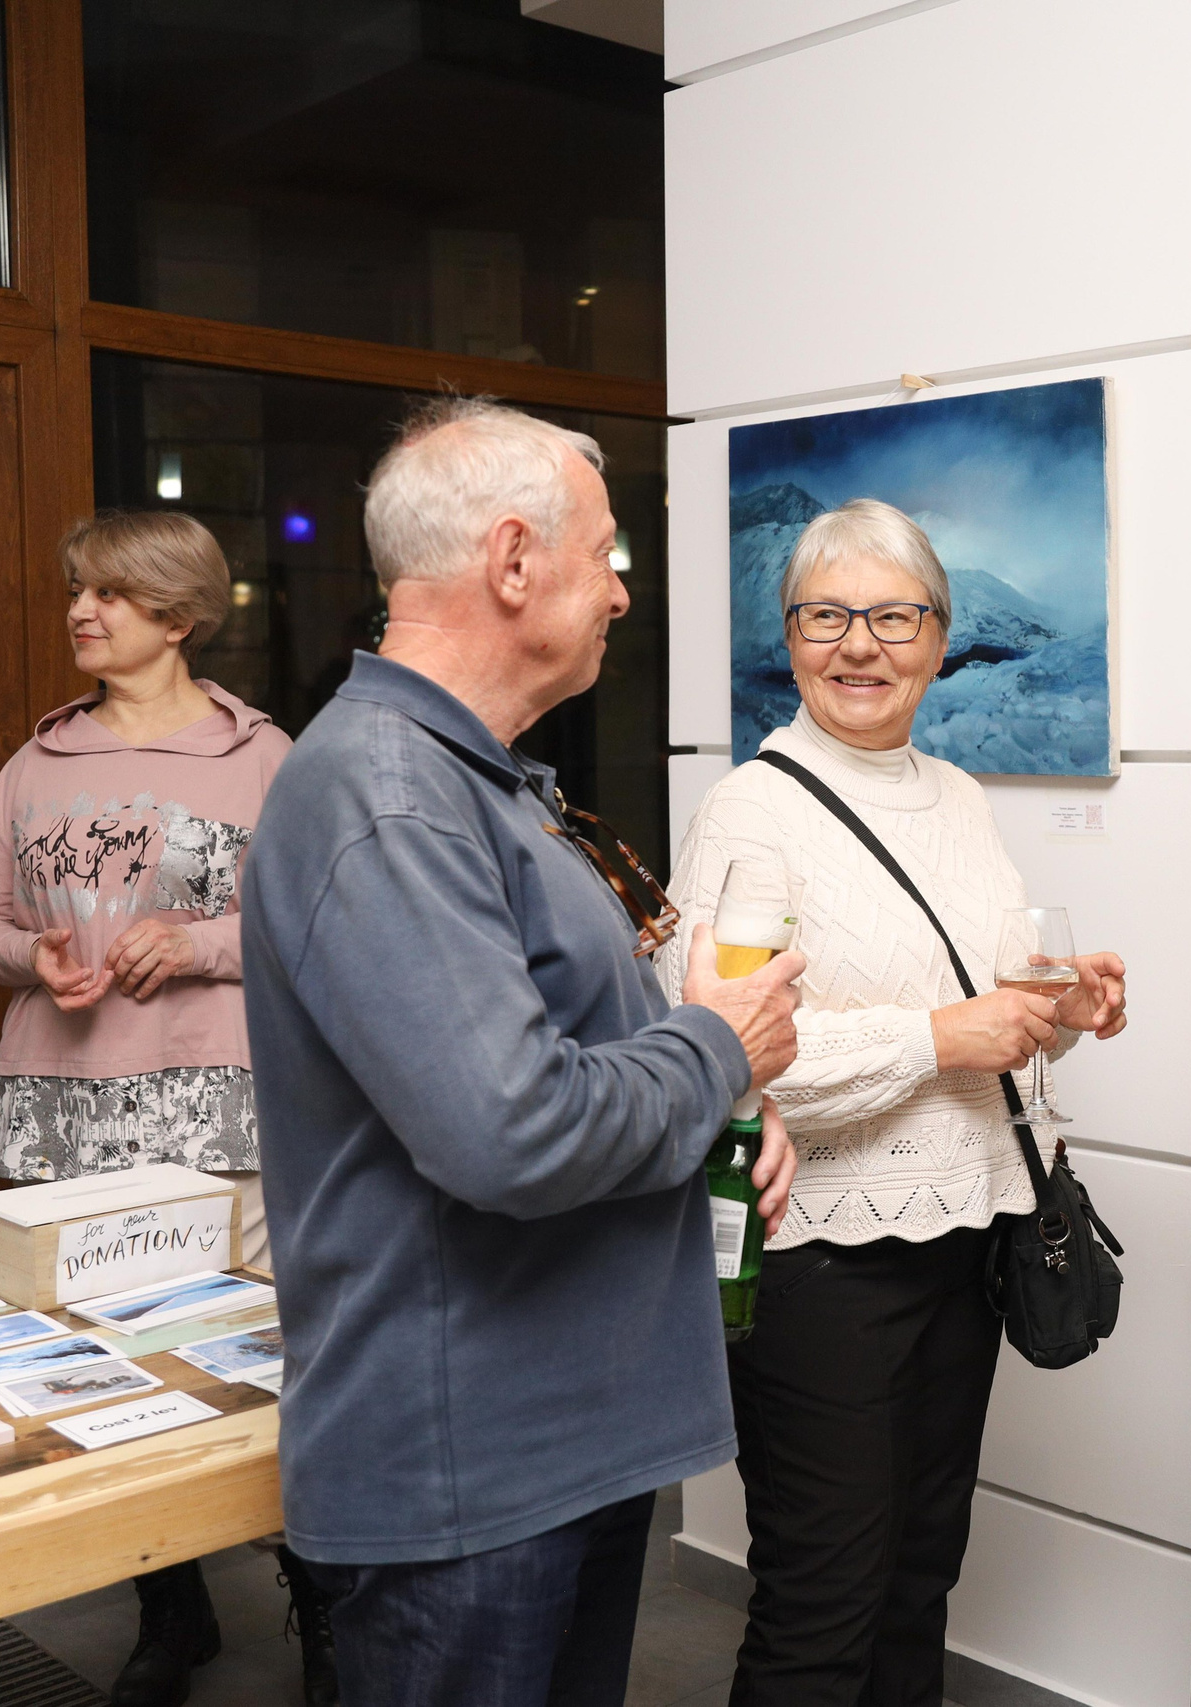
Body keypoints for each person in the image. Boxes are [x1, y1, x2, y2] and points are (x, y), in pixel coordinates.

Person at [240, 398, 806, 1707]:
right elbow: (514, 1125)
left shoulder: (472, 779)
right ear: (510, 560)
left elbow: (559, 1056)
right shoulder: (386, 793)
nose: (619, 591)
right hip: (471, 1481)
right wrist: (720, 1048)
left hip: (552, 1446)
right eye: (605, 553)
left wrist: (707, 1111)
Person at [657, 498, 1128, 1705]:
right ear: (789, 633)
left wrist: (1051, 1016)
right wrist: (941, 1034)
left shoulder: (959, 798)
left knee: (919, 1583)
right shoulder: (750, 816)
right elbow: (726, 1053)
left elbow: (983, 1019)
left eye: (892, 615)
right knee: (822, 1607)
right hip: (823, 1265)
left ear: (938, 633)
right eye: (826, 615)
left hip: (961, 1237)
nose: (858, 644)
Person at [0, 511, 328, 1707]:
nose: (79, 611)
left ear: (177, 612)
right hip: (65, 1112)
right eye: (74, 589)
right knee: (100, 1369)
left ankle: (321, 1612)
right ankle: (172, 1614)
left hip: (230, 1106)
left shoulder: (266, 758)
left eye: (106, 592)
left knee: (260, 1364)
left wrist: (202, 940)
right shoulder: (35, 762)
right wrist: (30, 961)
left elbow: (318, 920)